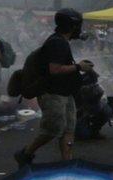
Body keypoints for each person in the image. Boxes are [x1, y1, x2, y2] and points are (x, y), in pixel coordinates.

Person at [14, 9, 94, 167]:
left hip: (65, 93)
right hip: (52, 94)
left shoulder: (61, 41)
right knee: (53, 129)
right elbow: (55, 69)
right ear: (72, 26)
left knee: (69, 129)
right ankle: (26, 153)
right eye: (77, 25)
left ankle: (67, 163)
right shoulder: (57, 43)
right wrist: (79, 67)